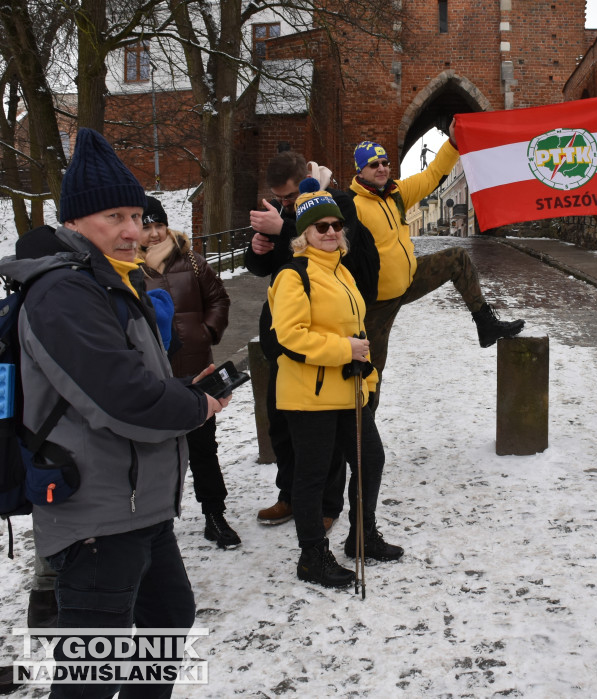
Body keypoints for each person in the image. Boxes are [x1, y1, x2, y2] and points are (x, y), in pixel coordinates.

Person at [0, 128, 229, 699]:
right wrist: (195, 403)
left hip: (139, 506)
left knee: (168, 624)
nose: (133, 231)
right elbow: (121, 397)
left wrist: (179, 388)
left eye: (136, 214)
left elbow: (134, 381)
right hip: (97, 515)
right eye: (115, 217)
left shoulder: (109, 281)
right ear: (74, 221)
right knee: (91, 677)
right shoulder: (64, 292)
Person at [268, 179, 399, 587]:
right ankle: (312, 557)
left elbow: (359, 331)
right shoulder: (294, 275)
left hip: (350, 391)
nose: (330, 232)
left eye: (335, 226)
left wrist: (369, 373)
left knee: (370, 460)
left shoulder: (341, 271)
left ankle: (362, 535)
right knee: (314, 475)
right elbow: (289, 337)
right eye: (320, 227)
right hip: (310, 396)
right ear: (304, 234)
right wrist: (345, 350)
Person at [246, 151, 378, 529]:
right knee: (285, 433)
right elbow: (278, 267)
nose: (283, 205)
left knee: (330, 448)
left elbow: (342, 264)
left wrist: (283, 230)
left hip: (330, 358)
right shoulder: (286, 218)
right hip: (288, 351)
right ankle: (291, 498)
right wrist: (258, 247)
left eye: (288, 198)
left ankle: (326, 507)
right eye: (280, 199)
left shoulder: (338, 206)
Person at [351, 132, 525, 408]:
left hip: (408, 281)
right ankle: (362, 432)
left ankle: (485, 324)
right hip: (377, 303)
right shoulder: (353, 207)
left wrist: (454, 143)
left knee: (457, 258)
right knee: (370, 371)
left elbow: (433, 175)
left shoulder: (396, 195)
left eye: (384, 162)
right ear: (361, 170)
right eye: (374, 165)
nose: (382, 168)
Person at [139, 196, 238, 549]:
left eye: (158, 225)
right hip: (156, 377)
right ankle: (155, 522)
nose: (153, 234)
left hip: (197, 371)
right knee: (157, 451)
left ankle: (214, 514)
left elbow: (219, 299)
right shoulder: (129, 268)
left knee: (203, 448)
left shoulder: (193, 263)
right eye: (146, 226)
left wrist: (207, 331)